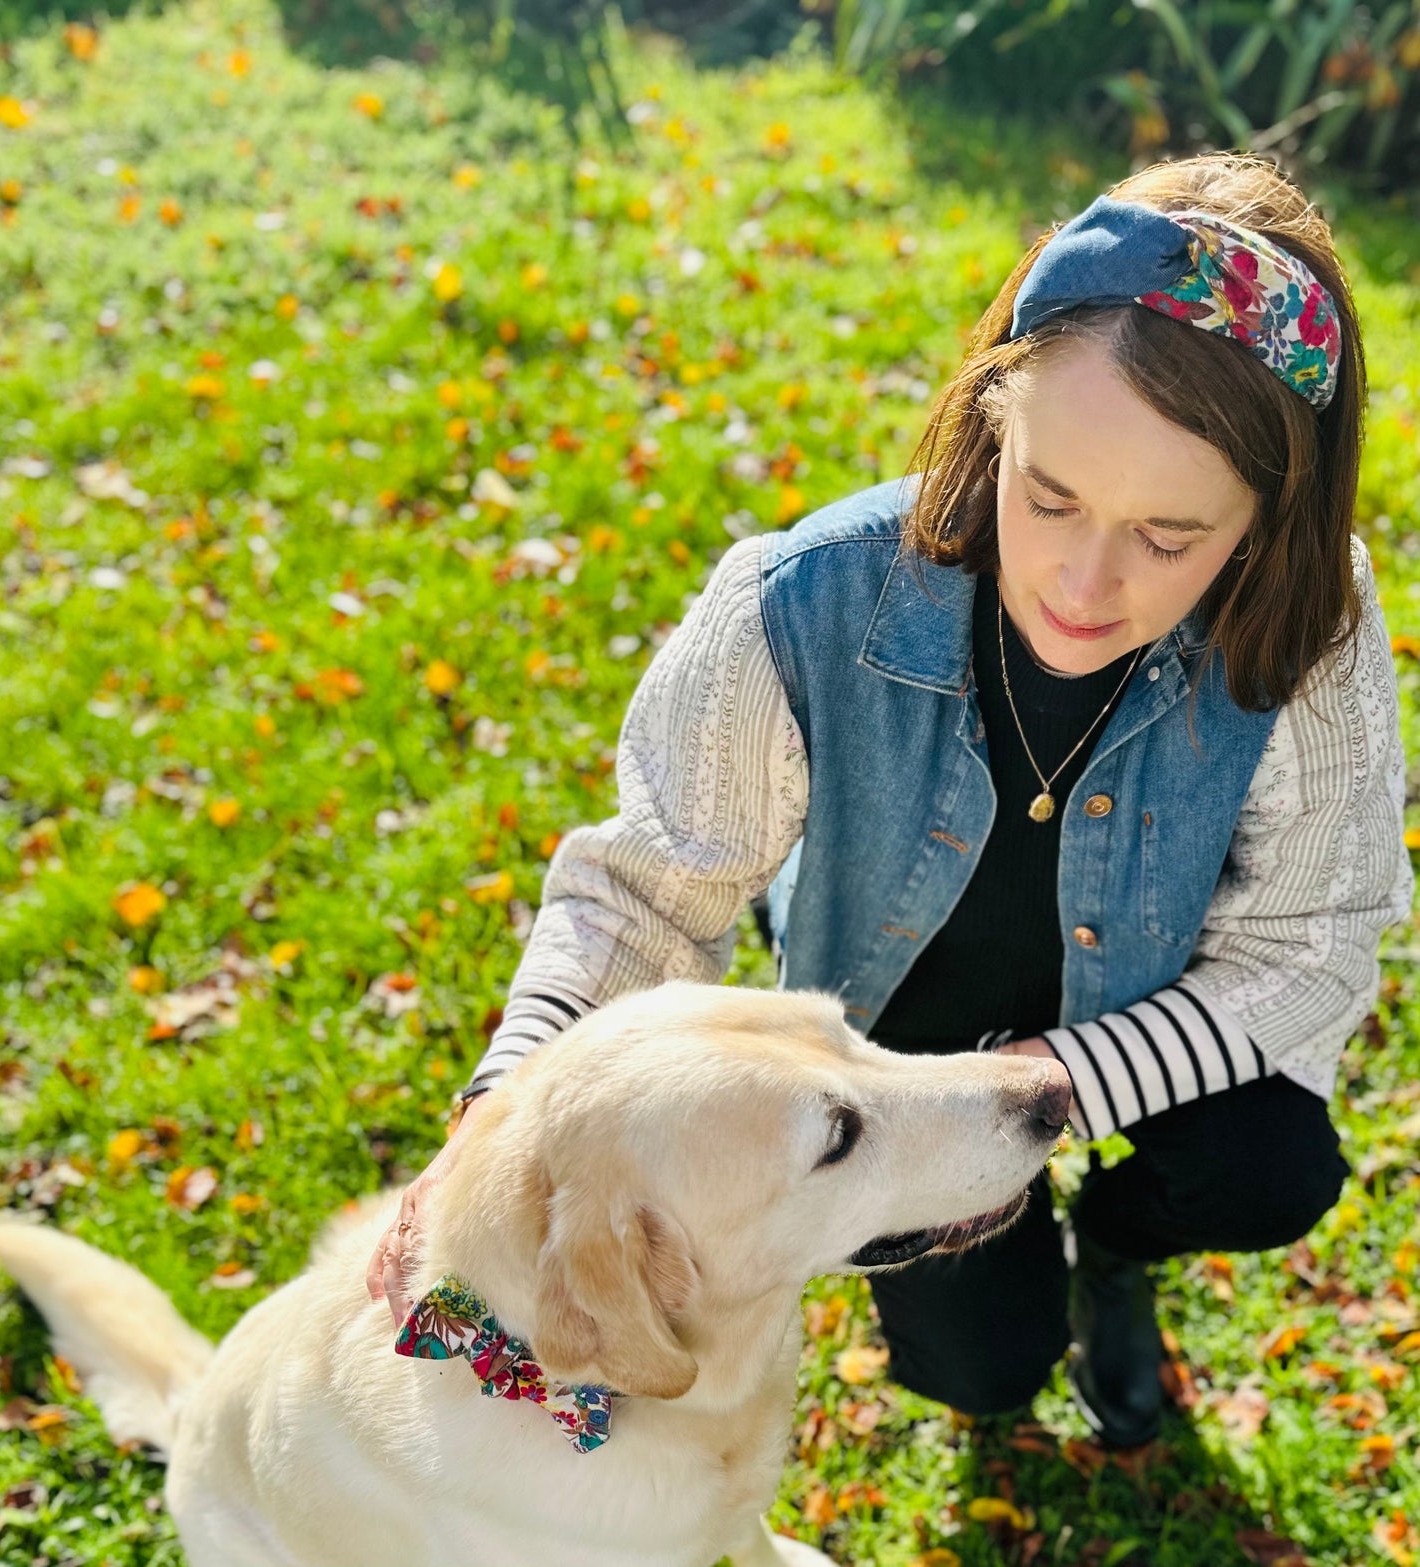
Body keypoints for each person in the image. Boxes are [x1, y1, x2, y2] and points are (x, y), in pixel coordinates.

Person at [368, 152, 1410, 1450]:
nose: (1085, 582)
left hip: (1153, 1006)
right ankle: (1012, 1304)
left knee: (1267, 1172)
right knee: (981, 1377)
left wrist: (1059, 1079)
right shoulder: (795, 605)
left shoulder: (1307, 623)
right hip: (896, 1041)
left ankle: (1115, 1252)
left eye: (1168, 537)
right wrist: (503, 1116)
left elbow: (1306, 948)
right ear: (992, 419)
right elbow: (644, 895)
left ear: (1265, 519)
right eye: (1050, 497)